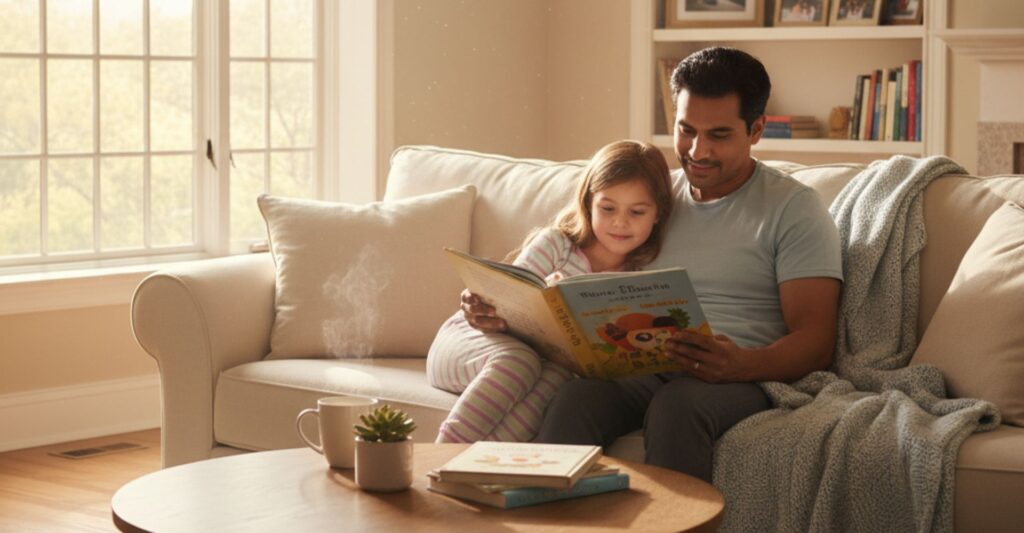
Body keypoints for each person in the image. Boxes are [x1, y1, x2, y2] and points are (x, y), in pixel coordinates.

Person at [460, 47, 843, 482]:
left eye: (718, 134)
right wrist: (502, 309)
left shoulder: (793, 209)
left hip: (738, 375)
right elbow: (574, 258)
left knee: (678, 406)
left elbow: (816, 339)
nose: (697, 151)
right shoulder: (653, 198)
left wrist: (741, 364)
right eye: (686, 130)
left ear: (755, 130)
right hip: (641, 366)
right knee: (577, 399)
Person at [427, 140, 676, 443]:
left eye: (637, 212)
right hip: (467, 343)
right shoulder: (556, 245)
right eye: (607, 208)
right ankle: (442, 458)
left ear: (658, 213)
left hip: (545, 366)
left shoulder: (636, 279)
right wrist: (483, 303)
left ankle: (486, 471)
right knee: (519, 362)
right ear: (588, 202)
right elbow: (508, 300)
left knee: (557, 382)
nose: (620, 222)